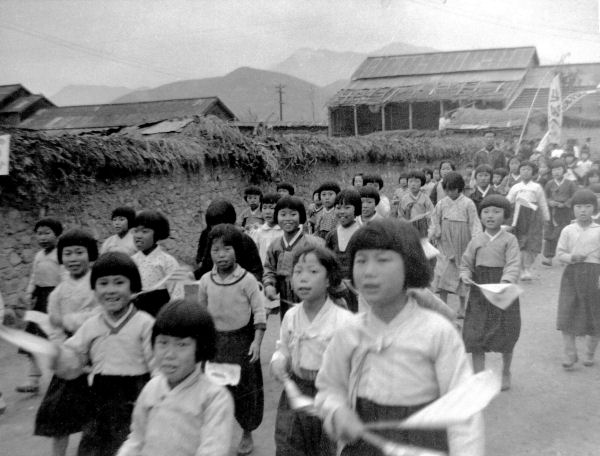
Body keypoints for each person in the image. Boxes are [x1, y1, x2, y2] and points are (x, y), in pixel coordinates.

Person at [314, 219, 484, 456]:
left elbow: (463, 408)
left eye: (383, 260)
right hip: (364, 444)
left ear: (409, 266)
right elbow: (329, 388)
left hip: (423, 442)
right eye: (361, 261)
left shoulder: (437, 332)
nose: (369, 271)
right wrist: (336, 411)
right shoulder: (348, 331)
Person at [53, 252, 154, 456]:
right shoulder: (91, 324)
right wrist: (57, 355)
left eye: (119, 282)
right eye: (103, 283)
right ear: (94, 289)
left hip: (135, 395)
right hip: (100, 397)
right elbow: (72, 351)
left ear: (133, 287)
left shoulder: (145, 323)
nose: (110, 290)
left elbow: (156, 365)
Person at [117, 300, 234, 456]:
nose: (169, 354)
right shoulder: (151, 388)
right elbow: (136, 439)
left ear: (201, 348)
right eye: (163, 343)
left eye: (182, 345)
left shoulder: (214, 397)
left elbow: (213, 450)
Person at [271, 246, 354, 456]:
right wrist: (279, 360)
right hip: (295, 391)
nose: (303, 279)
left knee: (327, 448)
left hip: (330, 393)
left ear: (329, 279)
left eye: (313, 272)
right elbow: (283, 348)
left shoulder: (343, 321)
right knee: (288, 444)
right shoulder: (291, 316)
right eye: (298, 272)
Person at [197, 224, 266, 455]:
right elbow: (201, 313)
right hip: (216, 343)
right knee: (217, 388)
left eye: (227, 249)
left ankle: (247, 432)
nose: (221, 255)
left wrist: (256, 342)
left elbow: (259, 312)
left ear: (237, 250)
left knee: (245, 391)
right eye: (216, 250)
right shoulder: (206, 280)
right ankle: (216, 434)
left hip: (242, 341)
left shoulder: (247, 280)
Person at [35, 228, 99, 456]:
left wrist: (67, 321)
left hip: (95, 358)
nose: (73, 259)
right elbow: (52, 325)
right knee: (59, 418)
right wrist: (61, 348)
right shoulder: (57, 293)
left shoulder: (98, 284)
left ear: (90, 254)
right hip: (67, 363)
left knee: (95, 418)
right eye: (68, 254)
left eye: (79, 252)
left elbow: (98, 317)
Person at [460, 195, 521, 391]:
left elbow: (513, 264)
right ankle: (479, 378)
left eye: (496, 212)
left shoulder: (510, 239)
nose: (490, 216)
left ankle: (505, 371)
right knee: (476, 334)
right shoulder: (476, 240)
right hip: (480, 292)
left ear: (505, 216)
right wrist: (465, 275)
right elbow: (466, 263)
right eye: (486, 212)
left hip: (503, 290)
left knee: (506, 333)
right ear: (480, 216)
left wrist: (505, 282)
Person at [17, 217, 63, 394]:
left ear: (57, 235)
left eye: (47, 233)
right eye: (39, 234)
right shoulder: (38, 255)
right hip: (40, 299)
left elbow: (65, 277)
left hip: (55, 299)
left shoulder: (60, 254)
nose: (42, 237)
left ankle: (58, 381)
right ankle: (33, 380)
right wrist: (29, 294)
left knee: (54, 340)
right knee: (32, 339)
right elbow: (34, 277)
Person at [556, 189, 600, 369]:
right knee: (568, 311)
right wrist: (572, 257)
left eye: (588, 207)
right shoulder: (568, 230)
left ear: (595, 209)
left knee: (595, 314)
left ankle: (590, 352)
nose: (583, 211)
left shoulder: (598, 230)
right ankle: (569, 352)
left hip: (594, 276)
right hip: (572, 275)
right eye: (578, 207)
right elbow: (560, 253)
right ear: (573, 209)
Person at [430, 172, 482, 316]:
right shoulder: (442, 203)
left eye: (452, 189)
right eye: (446, 189)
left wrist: (476, 240)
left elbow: (474, 222)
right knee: (442, 273)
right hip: (445, 242)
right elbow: (435, 219)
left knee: (461, 274)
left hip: (462, 241)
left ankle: (462, 307)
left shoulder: (468, 203)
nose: (449, 192)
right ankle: (443, 307)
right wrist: (436, 232)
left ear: (459, 188)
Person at [264, 196, 324, 318]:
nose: (288, 219)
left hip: (309, 296)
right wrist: (269, 285)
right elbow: (269, 269)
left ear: (301, 216)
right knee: (289, 329)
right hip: (285, 299)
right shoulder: (275, 245)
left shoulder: (312, 243)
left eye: (293, 214)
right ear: (277, 217)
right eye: (283, 214)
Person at [131, 210, 185, 315]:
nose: (138, 235)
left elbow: (177, 294)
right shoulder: (131, 262)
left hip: (160, 314)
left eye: (144, 231)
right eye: (136, 231)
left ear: (157, 234)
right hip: (136, 315)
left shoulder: (168, 262)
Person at [194, 200, 263, 282]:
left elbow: (256, 270)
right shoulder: (210, 236)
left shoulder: (244, 240)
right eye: (213, 227)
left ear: (230, 223)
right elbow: (206, 267)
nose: (216, 231)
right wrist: (192, 275)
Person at [506, 161, 550, 281]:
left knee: (532, 241)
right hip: (518, 216)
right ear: (519, 172)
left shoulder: (537, 187)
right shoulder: (515, 187)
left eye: (528, 169)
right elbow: (508, 201)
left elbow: (542, 203)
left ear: (533, 172)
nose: (525, 172)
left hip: (533, 216)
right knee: (520, 241)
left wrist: (546, 218)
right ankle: (520, 269)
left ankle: (527, 268)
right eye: (523, 169)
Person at [325, 188, 362, 312]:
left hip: (357, 290)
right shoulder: (331, 235)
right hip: (336, 289)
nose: (342, 212)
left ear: (356, 208)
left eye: (347, 208)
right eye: (338, 207)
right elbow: (326, 262)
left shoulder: (363, 233)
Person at [542, 159, 578, 267]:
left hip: (565, 212)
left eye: (558, 169)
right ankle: (549, 258)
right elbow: (544, 197)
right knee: (550, 234)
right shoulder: (549, 183)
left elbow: (574, 196)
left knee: (566, 234)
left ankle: (564, 258)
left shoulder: (570, 183)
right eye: (554, 170)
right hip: (552, 212)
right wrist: (550, 202)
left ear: (564, 170)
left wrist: (566, 204)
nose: (556, 172)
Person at [397, 170, 434, 238]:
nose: (413, 184)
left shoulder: (425, 198)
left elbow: (431, 213)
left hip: (423, 228)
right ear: (407, 183)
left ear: (421, 183)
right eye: (410, 181)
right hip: (409, 228)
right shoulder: (404, 199)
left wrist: (430, 227)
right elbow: (400, 215)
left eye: (417, 181)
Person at [250, 192, 282, 264]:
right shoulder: (258, 233)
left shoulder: (284, 232)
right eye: (264, 208)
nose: (267, 212)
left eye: (272, 208)